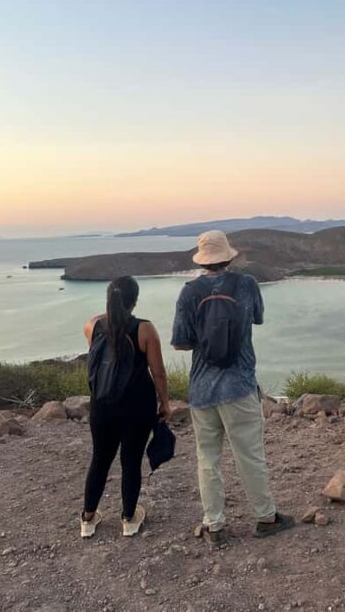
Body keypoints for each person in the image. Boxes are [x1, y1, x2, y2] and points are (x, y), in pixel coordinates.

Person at [171, 230, 294, 545]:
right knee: (250, 455)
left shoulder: (188, 293)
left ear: (202, 260)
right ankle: (266, 517)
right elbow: (258, 319)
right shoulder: (247, 284)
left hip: (202, 389)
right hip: (238, 385)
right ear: (229, 256)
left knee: (207, 457)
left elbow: (181, 342)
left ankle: (214, 525)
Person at [81, 275, 171, 538]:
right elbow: (159, 372)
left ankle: (88, 519)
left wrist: (111, 308)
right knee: (131, 461)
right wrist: (164, 402)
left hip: (102, 405)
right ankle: (129, 519)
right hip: (137, 406)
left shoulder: (92, 326)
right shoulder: (144, 329)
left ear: (109, 299)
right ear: (135, 300)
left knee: (100, 459)